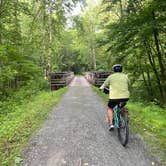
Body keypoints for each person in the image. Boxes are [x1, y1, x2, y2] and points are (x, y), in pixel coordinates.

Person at [99, 64, 130, 131]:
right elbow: (128, 84)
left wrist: (101, 88)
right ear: (121, 69)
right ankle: (125, 118)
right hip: (125, 97)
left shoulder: (111, 77)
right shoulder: (125, 76)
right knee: (122, 106)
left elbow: (104, 85)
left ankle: (111, 124)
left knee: (110, 108)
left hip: (114, 98)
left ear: (114, 70)